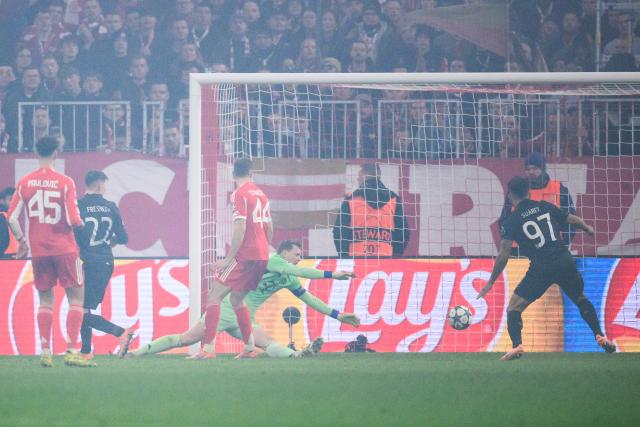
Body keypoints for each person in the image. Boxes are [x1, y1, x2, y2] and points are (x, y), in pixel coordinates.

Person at [130, 240, 359, 358]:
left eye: (301, 256)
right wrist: (333, 274)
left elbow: (310, 299)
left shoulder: (287, 278)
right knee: (187, 339)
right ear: (285, 253)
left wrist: (339, 315)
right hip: (227, 309)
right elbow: (303, 272)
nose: (300, 259)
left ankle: (298, 354)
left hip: (244, 318)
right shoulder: (274, 261)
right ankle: (136, 352)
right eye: (297, 254)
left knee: (267, 341)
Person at [477, 176, 616, 361]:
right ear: (528, 192)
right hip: (564, 260)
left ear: (509, 195)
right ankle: (599, 335)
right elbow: (570, 218)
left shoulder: (510, 221)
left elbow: (503, 255)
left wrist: (490, 282)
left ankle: (517, 345)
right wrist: (587, 227)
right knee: (580, 298)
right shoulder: (544, 206)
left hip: (541, 268)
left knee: (514, 308)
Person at [6, 136, 91, 367]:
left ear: (36, 153)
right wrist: (83, 224)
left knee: (45, 301)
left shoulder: (25, 182)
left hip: (39, 251)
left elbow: (12, 217)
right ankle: (72, 350)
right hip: (65, 248)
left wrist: (22, 241)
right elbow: (74, 219)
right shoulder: (66, 182)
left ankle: (45, 351)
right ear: (56, 153)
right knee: (76, 299)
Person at [193, 158, 273, 360]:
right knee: (237, 300)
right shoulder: (261, 194)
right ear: (251, 172)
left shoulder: (239, 194)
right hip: (262, 255)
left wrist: (228, 258)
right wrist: (263, 248)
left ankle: (208, 349)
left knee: (213, 296)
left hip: (245, 255)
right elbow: (269, 227)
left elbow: (240, 226)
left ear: (233, 174)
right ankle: (249, 347)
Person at [75, 171, 134, 361]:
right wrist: (110, 241)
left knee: (80, 310)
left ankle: (119, 332)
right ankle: (85, 351)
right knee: (84, 309)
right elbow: (124, 237)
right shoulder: (110, 207)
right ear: (100, 185)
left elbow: (72, 233)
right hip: (105, 261)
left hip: (86, 261)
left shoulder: (78, 206)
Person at [499, 152, 576, 250]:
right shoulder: (516, 189)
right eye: (527, 169)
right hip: (520, 250)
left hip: (551, 249)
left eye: (535, 168)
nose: (531, 172)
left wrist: (564, 242)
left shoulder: (559, 189)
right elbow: (504, 220)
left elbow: (570, 218)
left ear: (543, 169)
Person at [333, 163, 409, 258]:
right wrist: (395, 256)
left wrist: (344, 256)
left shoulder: (351, 199)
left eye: (359, 176)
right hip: (386, 260)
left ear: (365, 175)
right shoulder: (393, 199)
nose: (357, 179)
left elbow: (339, 232)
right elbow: (403, 233)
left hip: (357, 259)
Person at [0, 187, 17, 259]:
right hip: (6, 257)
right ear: (2, 201)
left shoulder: (8, 216)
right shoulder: (2, 217)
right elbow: (3, 240)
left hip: (10, 256)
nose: (13, 202)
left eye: (15, 200)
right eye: (10, 199)